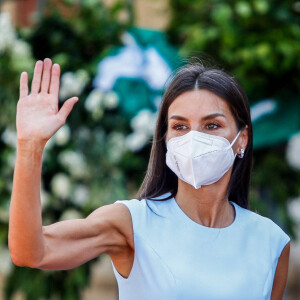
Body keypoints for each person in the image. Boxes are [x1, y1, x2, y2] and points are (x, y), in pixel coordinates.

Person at [9, 58, 290, 300]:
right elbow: (31, 252)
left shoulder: (271, 242)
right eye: (180, 126)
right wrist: (30, 146)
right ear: (166, 138)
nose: (193, 138)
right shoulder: (131, 224)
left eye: (211, 125)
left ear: (242, 139)